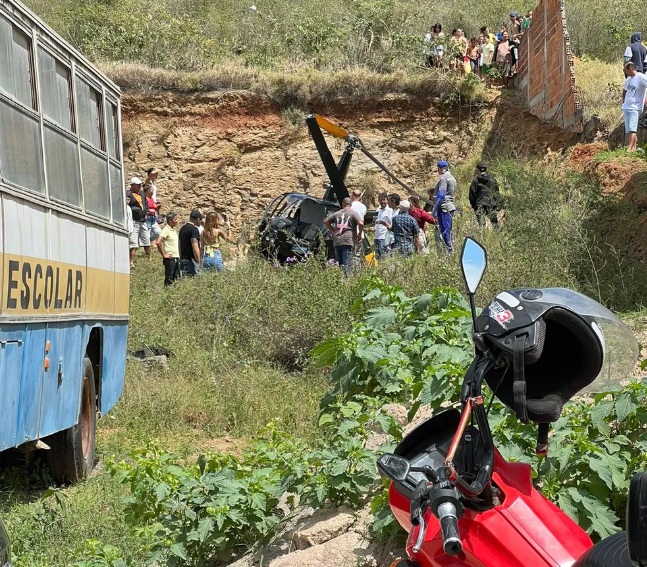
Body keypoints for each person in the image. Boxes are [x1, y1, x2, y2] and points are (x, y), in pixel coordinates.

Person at [323, 197, 363, 275]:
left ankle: (340, 279)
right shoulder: (353, 213)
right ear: (350, 205)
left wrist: (332, 231)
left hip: (337, 240)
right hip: (348, 241)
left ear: (343, 204)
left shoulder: (337, 214)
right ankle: (346, 281)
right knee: (347, 263)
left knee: (339, 263)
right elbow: (361, 223)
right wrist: (359, 234)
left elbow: (326, 221)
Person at [432, 160, 457, 254]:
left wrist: (435, 209)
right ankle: (451, 251)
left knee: (445, 231)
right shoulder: (452, 178)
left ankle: (450, 252)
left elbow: (441, 194)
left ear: (441, 168)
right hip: (450, 206)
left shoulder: (443, 178)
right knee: (449, 230)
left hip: (444, 208)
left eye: (438, 169)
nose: (438, 171)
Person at [622, 62, 647, 152]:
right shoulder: (628, 79)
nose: (624, 72)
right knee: (629, 129)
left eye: (625, 70)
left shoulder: (641, 77)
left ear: (631, 68)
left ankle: (629, 148)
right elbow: (624, 90)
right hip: (627, 107)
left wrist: (645, 104)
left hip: (635, 107)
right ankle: (633, 148)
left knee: (633, 128)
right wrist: (624, 102)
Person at [128, 176, 151, 260]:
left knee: (146, 240)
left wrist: (146, 211)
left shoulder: (141, 193)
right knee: (134, 243)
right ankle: (131, 261)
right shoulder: (129, 193)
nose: (139, 186)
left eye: (139, 184)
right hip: (134, 221)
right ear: (132, 185)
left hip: (143, 220)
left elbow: (145, 203)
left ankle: (149, 258)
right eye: (137, 185)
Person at [156, 211, 180, 286]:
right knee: (169, 279)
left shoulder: (173, 230)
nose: (177, 221)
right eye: (175, 219)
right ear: (170, 220)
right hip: (170, 258)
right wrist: (164, 255)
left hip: (176, 257)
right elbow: (158, 242)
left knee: (176, 278)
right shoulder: (166, 230)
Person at [179, 209, 203, 276]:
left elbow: (179, 244)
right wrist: (198, 261)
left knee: (185, 281)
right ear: (198, 219)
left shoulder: (182, 228)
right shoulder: (194, 229)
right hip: (190, 261)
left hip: (183, 259)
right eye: (200, 220)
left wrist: (181, 256)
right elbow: (194, 246)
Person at [374, 193, 394, 259]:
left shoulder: (389, 211)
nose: (382, 202)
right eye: (380, 200)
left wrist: (383, 223)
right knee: (378, 256)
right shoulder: (378, 210)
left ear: (387, 200)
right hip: (377, 236)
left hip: (384, 236)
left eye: (384, 200)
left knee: (384, 256)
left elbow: (392, 224)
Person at [125, 191, 139, 268]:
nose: (128, 201)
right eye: (127, 199)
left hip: (131, 230)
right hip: (125, 230)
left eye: (129, 199)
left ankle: (131, 262)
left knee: (134, 245)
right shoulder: (122, 208)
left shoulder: (129, 208)